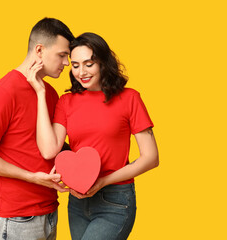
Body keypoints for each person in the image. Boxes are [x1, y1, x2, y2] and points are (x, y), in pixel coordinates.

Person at [27, 32, 159, 240]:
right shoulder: (66, 102)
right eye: (76, 65)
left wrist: (103, 181)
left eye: (89, 64)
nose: (81, 72)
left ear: (104, 63)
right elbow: (49, 149)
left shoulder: (129, 98)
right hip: (78, 201)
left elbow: (151, 158)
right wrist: (40, 93)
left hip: (115, 200)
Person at [0, 17, 74, 240]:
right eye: (62, 55)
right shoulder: (5, 91)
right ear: (39, 50)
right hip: (17, 219)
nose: (66, 63)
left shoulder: (50, 93)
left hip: (49, 211)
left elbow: (49, 148)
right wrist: (32, 177)